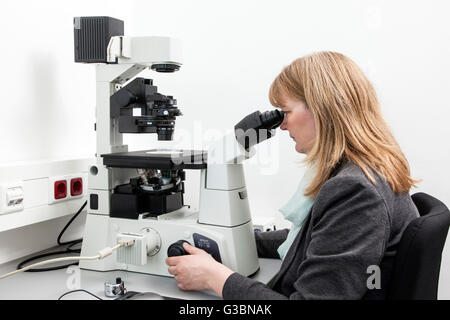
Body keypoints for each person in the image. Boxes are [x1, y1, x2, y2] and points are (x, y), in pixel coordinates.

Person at [165, 51, 419, 300]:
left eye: (285, 112)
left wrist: (216, 278)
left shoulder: (355, 190)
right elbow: (313, 238)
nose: (283, 125)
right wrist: (239, 240)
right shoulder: (366, 170)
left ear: (321, 110)